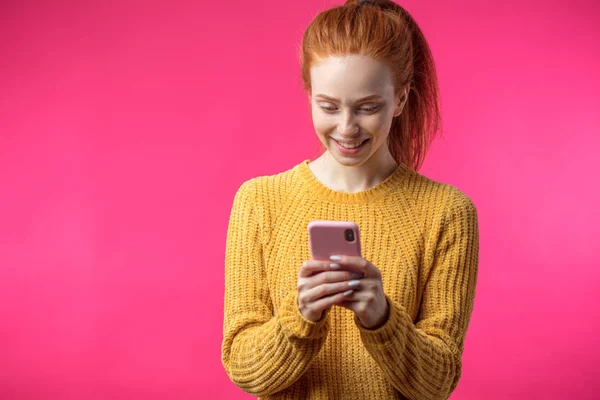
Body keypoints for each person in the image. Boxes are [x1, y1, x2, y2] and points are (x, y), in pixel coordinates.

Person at [221, 0, 479, 398]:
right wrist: (301, 315)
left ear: (401, 99)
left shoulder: (446, 213)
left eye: (368, 108)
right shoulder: (260, 201)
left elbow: (439, 381)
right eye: (328, 106)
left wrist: (383, 319)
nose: (346, 128)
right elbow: (243, 367)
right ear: (308, 94)